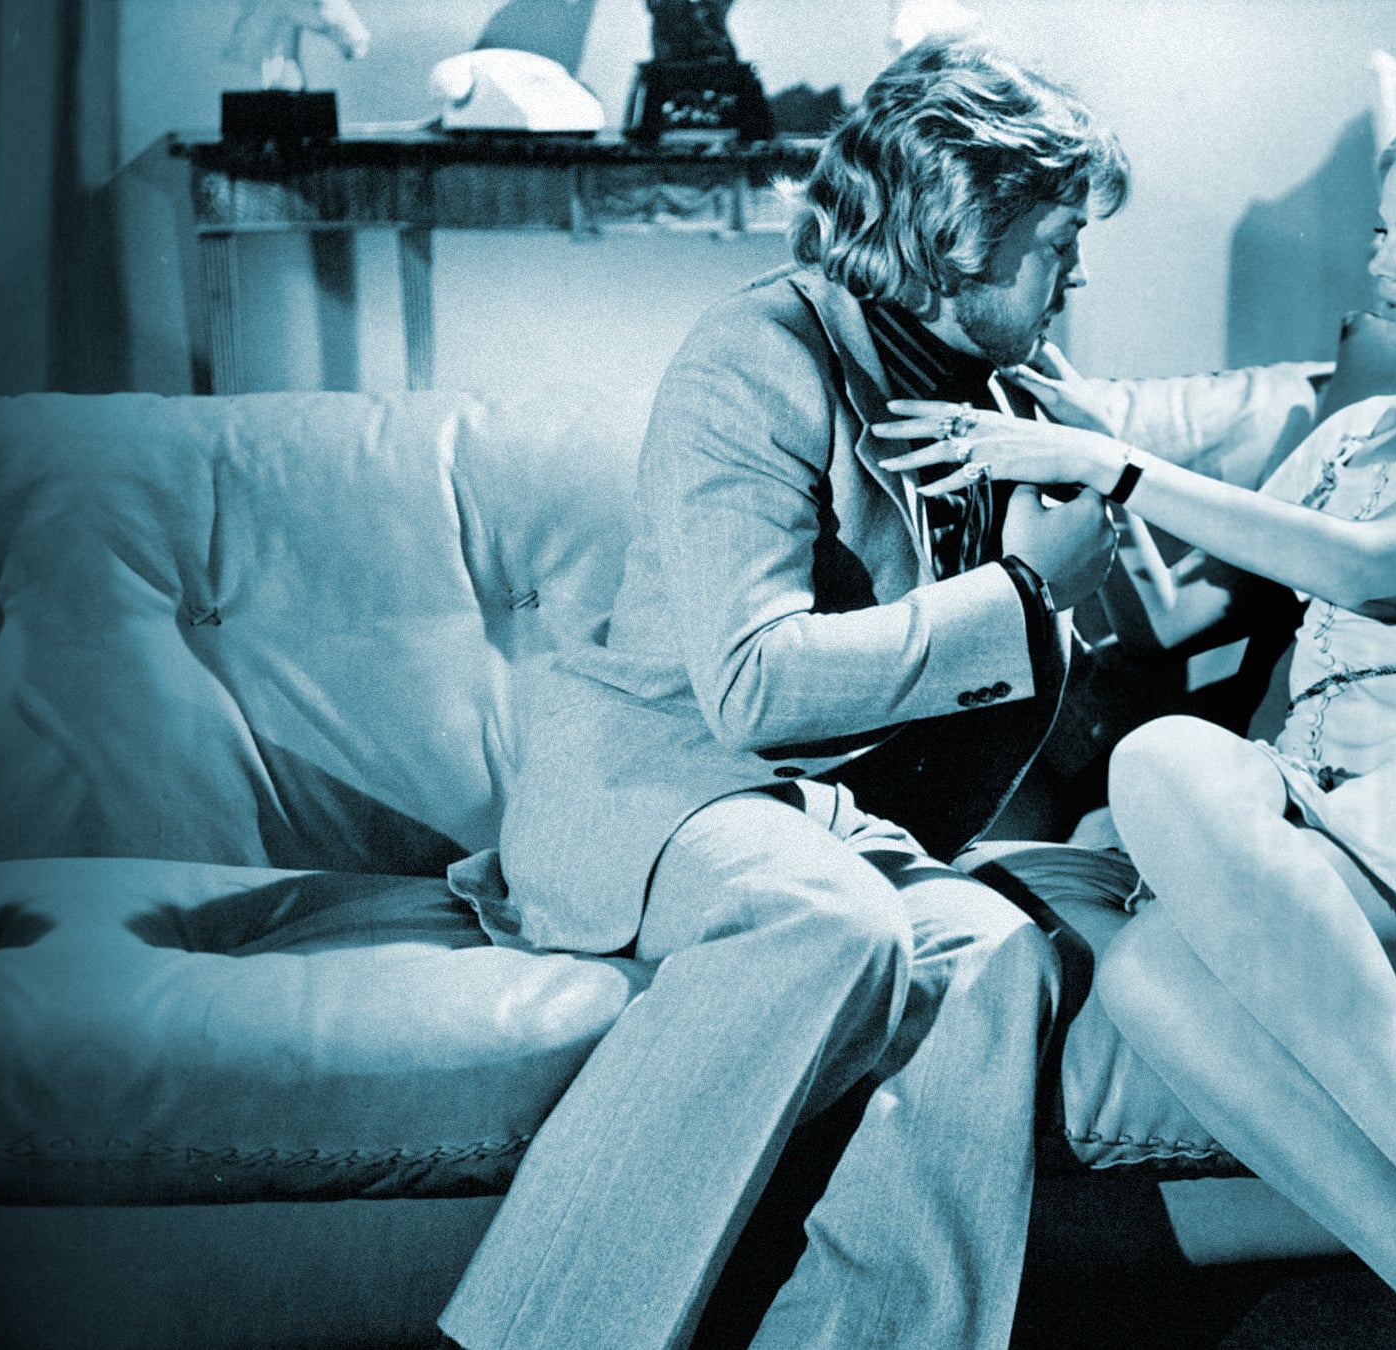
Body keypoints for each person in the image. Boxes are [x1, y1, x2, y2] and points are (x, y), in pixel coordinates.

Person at [876, 57, 1396, 1350]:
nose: (1382, 262)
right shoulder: (1361, 432)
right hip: (1334, 808)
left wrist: (1120, 462)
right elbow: (1187, 615)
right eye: (1383, 231)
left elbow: (1361, 565)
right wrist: (1056, 510)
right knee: (1138, 962)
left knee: (1164, 768)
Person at [435, 38, 1125, 1350]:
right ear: (955, 236)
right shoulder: (759, 354)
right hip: (661, 784)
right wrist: (1025, 591)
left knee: (992, 958)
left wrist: (1115, 501)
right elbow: (753, 684)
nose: (1077, 273)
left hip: (837, 824)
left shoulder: (1015, 396)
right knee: (831, 925)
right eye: (1057, 240)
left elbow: (1136, 627)